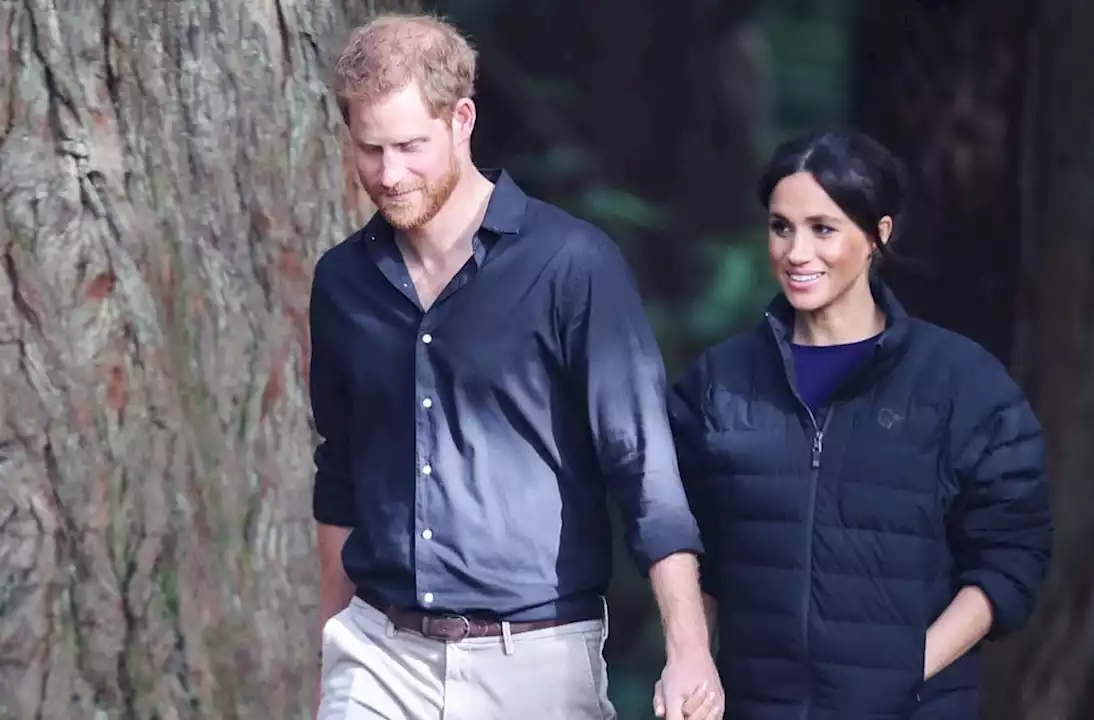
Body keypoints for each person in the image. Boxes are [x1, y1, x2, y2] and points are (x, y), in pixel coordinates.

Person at [308, 13, 723, 720]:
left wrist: (689, 649)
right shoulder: (343, 282)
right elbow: (340, 474)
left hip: (532, 658)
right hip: (377, 655)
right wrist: (329, 652)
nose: (389, 173)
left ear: (461, 119)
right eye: (370, 149)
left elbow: (643, 465)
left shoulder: (572, 266)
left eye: (410, 146)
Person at [658, 128, 1054, 719]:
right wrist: (693, 660)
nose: (796, 253)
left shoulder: (963, 385)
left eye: (823, 229)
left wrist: (905, 670)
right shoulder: (720, 382)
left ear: (877, 236)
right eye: (781, 227)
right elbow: (685, 540)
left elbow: (1012, 556)